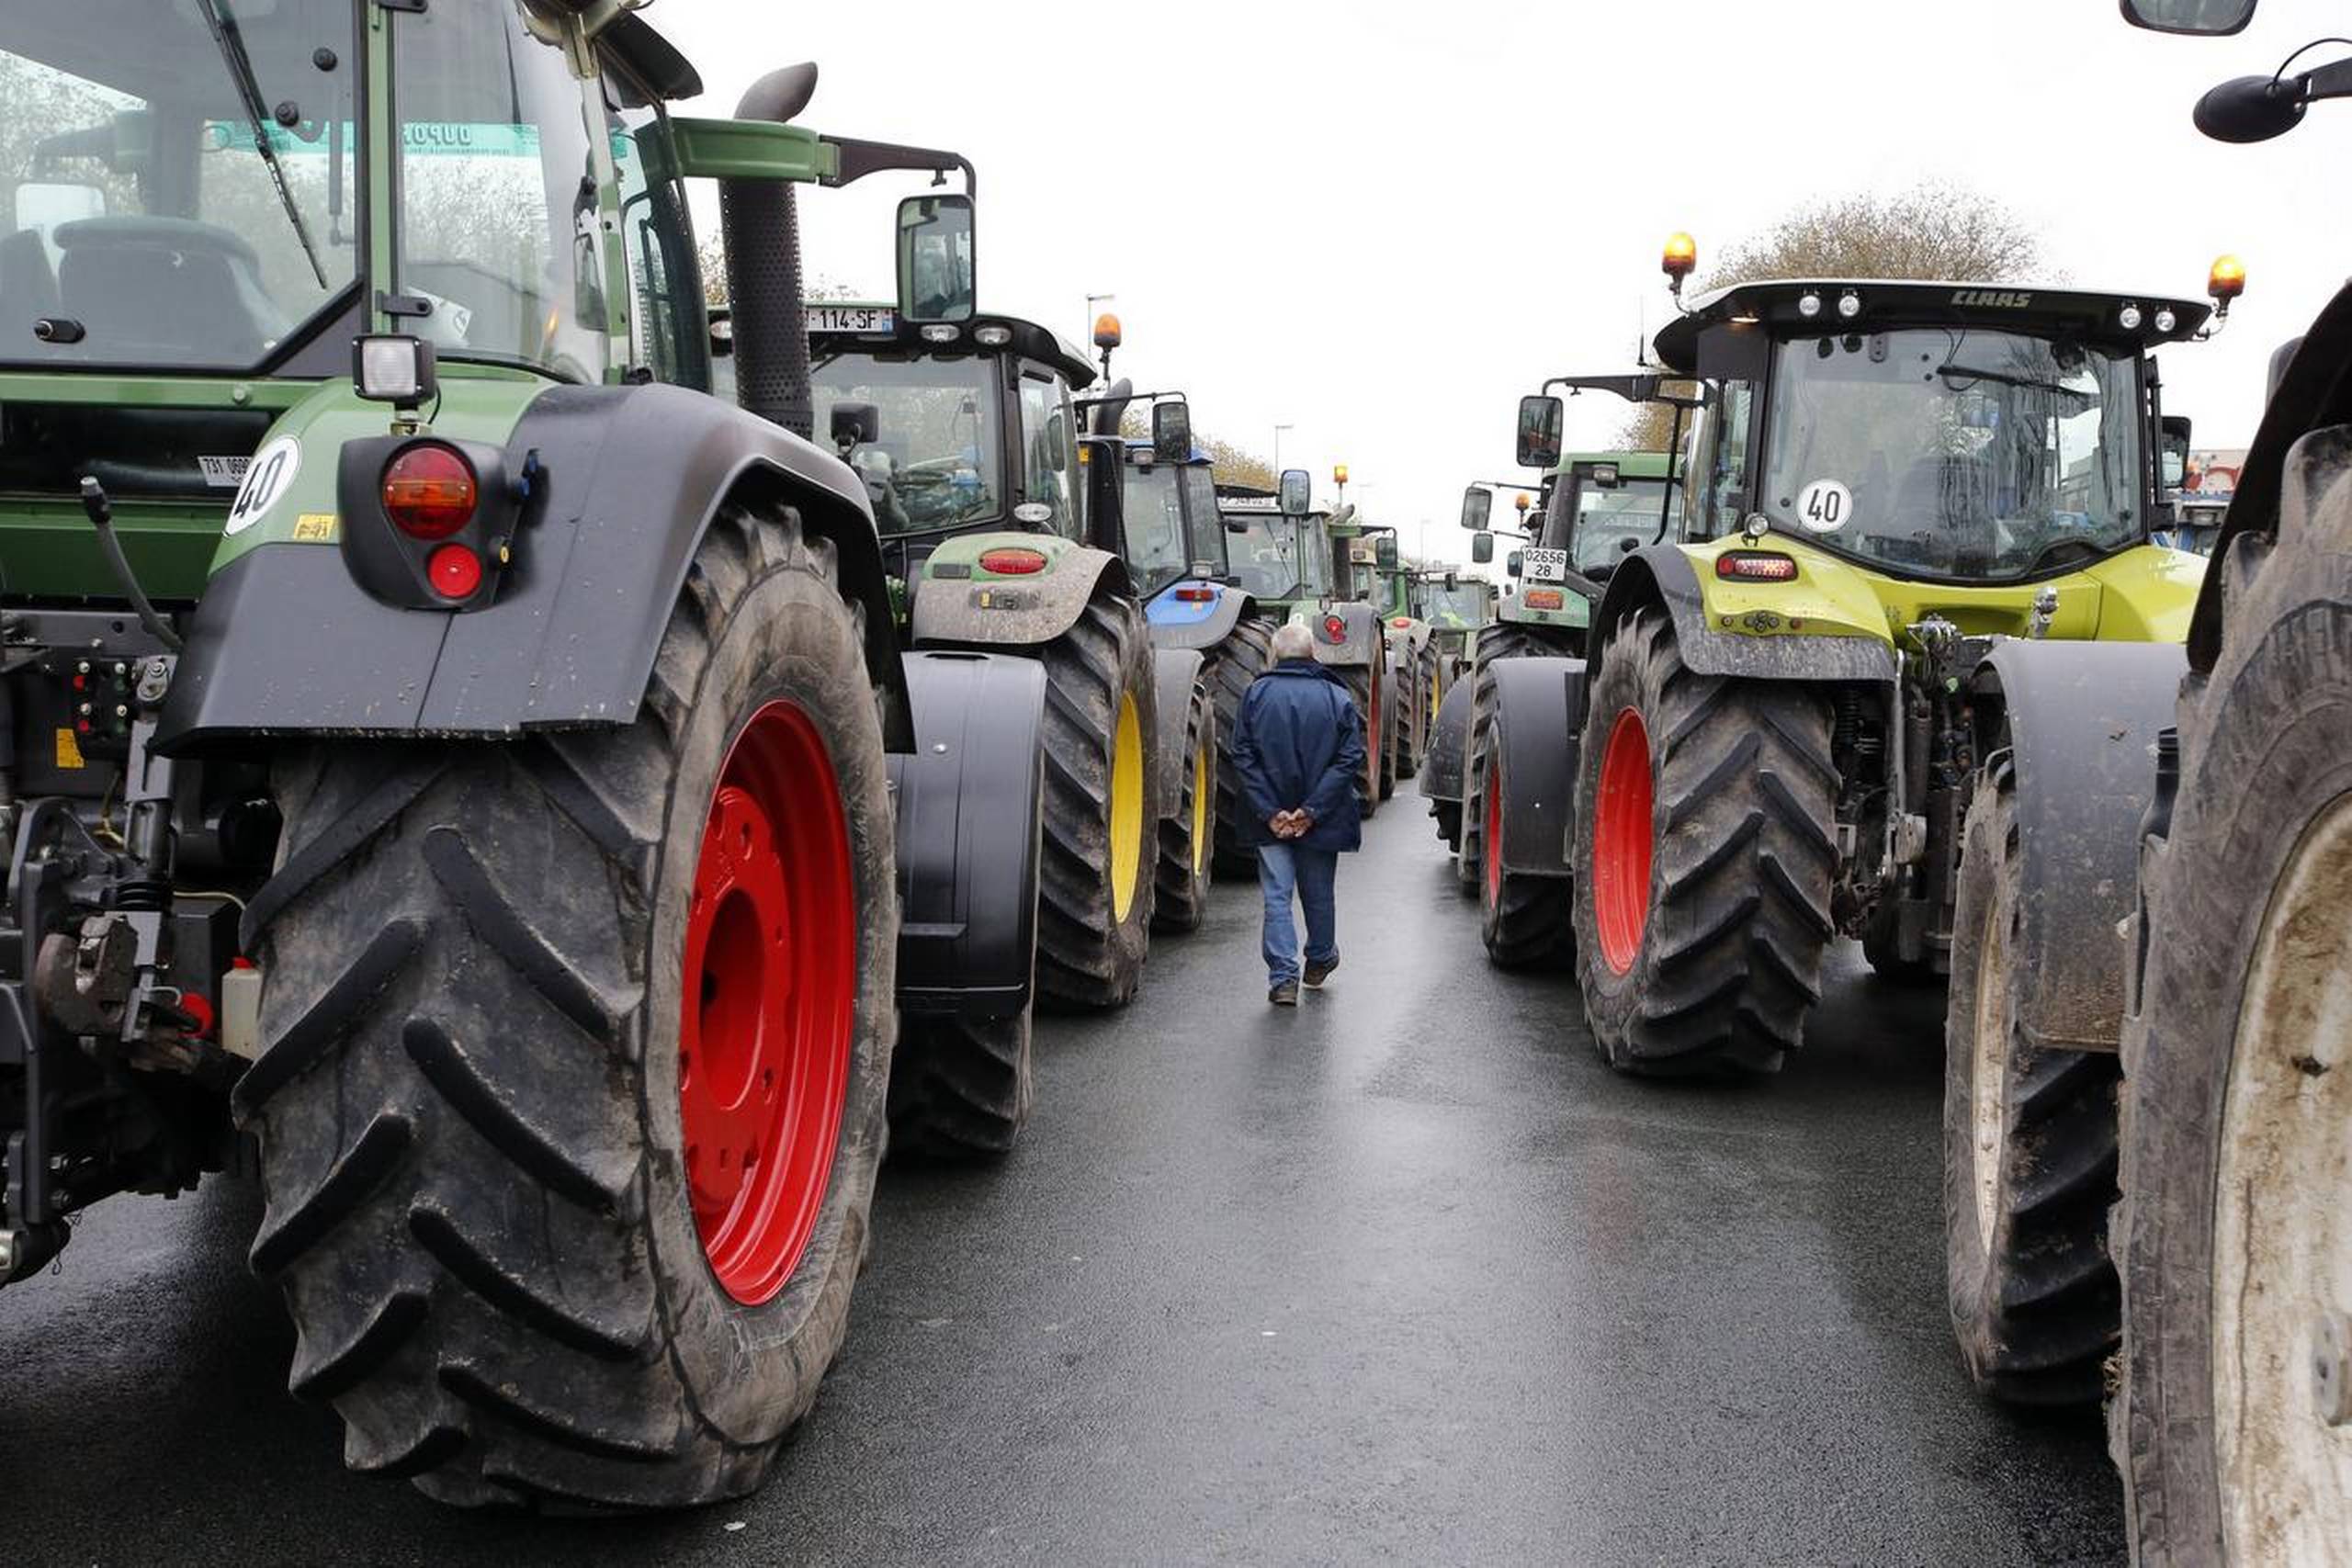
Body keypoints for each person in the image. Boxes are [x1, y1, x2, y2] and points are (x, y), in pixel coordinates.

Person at [1231, 620, 1366, 1006]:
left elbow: (1243, 754)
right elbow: (1348, 759)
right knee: (1318, 894)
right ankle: (1320, 959)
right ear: (1313, 653)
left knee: (1277, 896)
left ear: (1275, 654)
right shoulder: (1336, 697)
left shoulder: (1255, 695)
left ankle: (1283, 979)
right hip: (1322, 819)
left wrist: (1271, 812)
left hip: (1268, 819)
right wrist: (1310, 811)